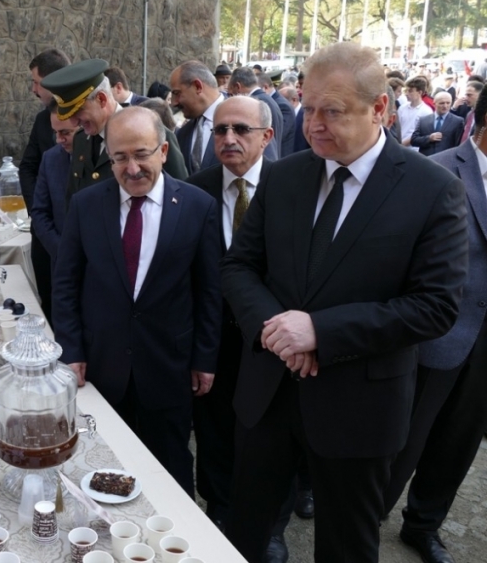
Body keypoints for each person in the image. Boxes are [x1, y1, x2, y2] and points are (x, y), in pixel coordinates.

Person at [221, 42, 468, 563]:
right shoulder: (285, 174)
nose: (313, 125)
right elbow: (239, 266)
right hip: (268, 395)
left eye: (331, 111)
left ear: (380, 108)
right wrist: (279, 332)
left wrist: (321, 333)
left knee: (347, 548)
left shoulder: (433, 190)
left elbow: (435, 306)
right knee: (242, 532)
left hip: (360, 408)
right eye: (307, 108)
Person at [52, 107, 222, 496]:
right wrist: (72, 350)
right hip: (102, 363)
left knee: (171, 463)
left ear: (163, 150)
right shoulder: (86, 204)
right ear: (108, 157)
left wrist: (204, 359)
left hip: (169, 365)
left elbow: (209, 291)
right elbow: (66, 283)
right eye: (120, 157)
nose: (132, 168)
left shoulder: (197, 207)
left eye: (141, 154)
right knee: (103, 463)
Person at [383, 86, 487, 563]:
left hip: (483, 349)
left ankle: (423, 526)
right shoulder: (437, 171)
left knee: (458, 443)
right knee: (403, 441)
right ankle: (365, 518)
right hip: (436, 336)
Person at [184, 96, 274, 528]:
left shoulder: (289, 185)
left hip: (272, 342)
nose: (229, 139)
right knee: (215, 431)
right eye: (220, 130)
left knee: (270, 437)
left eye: (241, 130)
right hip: (213, 340)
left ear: (267, 137)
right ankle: (218, 511)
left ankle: (269, 526)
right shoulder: (194, 190)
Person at [40, 58, 188, 200]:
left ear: (101, 99)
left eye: (78, 111)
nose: (73, 122)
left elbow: (179, 197)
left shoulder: (151, 133)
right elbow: (73, 201)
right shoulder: (81, 140)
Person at [19, 48, 71, 324]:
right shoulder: (42, 120)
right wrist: (38, 207)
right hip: (47, 235)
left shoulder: (85, 119)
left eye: (36, 82)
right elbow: (27, 166)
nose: (33, 89)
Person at [31, 103, 78, 272]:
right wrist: (62, 252)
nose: (59, 139)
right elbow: (40, 212)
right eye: (55, 133)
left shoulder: (104, 158)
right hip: (61, 265)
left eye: (65, 133)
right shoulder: (50, 159)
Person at [169, 61, 225, 173]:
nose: (174, 103)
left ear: (197, 86)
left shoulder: (245, 121)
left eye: (177, 93)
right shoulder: (182, 133)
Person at [228, 67, 284, 159]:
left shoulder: (254, 104)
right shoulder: (268, 99)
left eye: (231, 94)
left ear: (237, 87)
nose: (231, 99)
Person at [410, 91, 464, 156]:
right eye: (442, 103)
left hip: (445, 161)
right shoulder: (423, 120)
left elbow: (458, 144)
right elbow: (414, 140)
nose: (445, 106)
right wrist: (429, 138)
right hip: (426, 160)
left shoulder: (457, 121)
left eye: (448, 103)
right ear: (434, 103)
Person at [258, 72, 295, 156]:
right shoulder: (276, 101)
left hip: (281, 156)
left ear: (265, 87)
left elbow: (279, 134)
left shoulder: (282, 105)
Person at [399, 77, 434, 148]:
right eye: (407, 91)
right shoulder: (402, 108)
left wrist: (403, 144)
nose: (407, 94)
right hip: (399, 146)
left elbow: (423, 134)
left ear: (420, 92)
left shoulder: (427, 111)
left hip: (414, 149)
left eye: (410, 91)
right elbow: (397, 127)